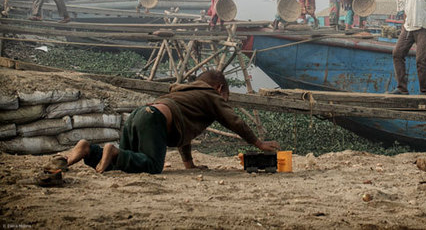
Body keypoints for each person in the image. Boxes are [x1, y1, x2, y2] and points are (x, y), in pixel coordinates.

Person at [60, 69, 280, 174]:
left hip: (139, 115)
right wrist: (258, 144)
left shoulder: (185, 93)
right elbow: (235, 121)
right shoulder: (211, 94)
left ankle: (88, 150)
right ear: (220, 88)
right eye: (226, 97)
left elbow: (185, 131)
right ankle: (113, 151)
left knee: (127, 165)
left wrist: (188, 165)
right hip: (154, 119)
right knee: (153, 166)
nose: (224, 102)